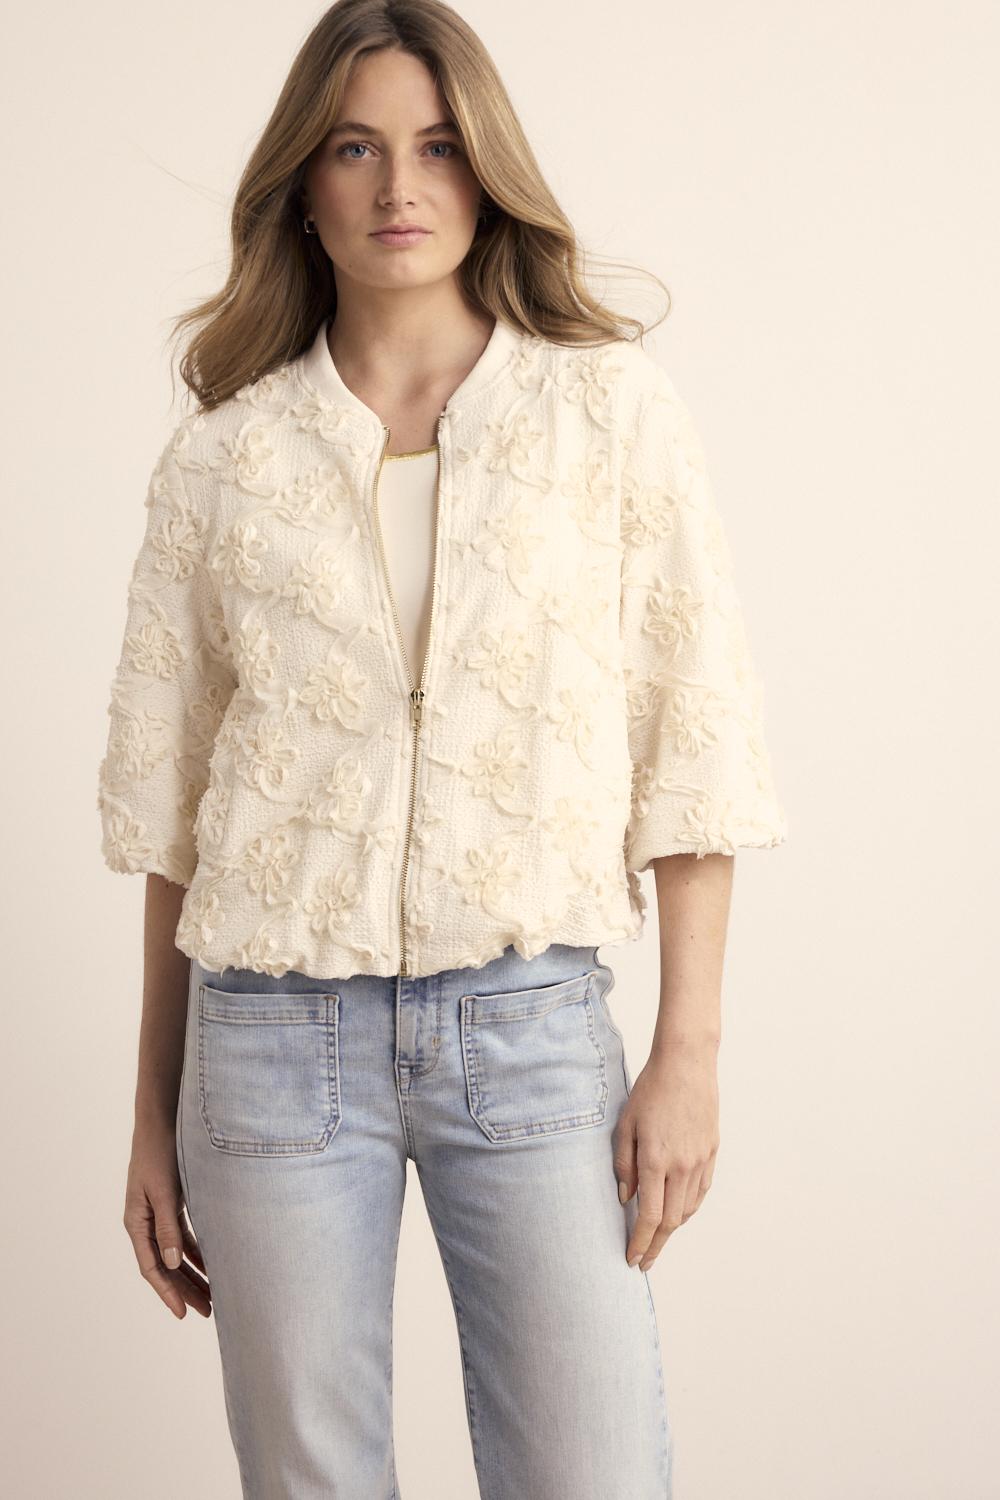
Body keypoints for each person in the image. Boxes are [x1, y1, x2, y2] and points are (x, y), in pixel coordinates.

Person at [97, 2, 787, 1495]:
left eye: (438, 147)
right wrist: (150, 1115)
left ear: (488, 172)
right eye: (356, 149)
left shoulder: (607, 414)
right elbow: (173, 817)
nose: (400, 187)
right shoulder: (221, 458)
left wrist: (690, 1050)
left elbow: (697, 740)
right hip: (269, 1044)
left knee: (593, 1470)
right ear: (304, 181)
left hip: (527, 1027)